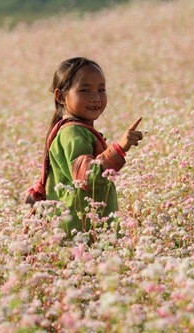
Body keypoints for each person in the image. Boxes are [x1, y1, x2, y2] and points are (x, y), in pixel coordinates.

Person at [26, 57, 144, 236]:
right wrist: (119, 148)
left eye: (101, 89)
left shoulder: (77, 130)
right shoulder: (72, 133)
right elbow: (87, 176)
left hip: (85, 234)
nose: (96, 97)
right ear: (60, 96)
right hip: (81, 237)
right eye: (85, 90)